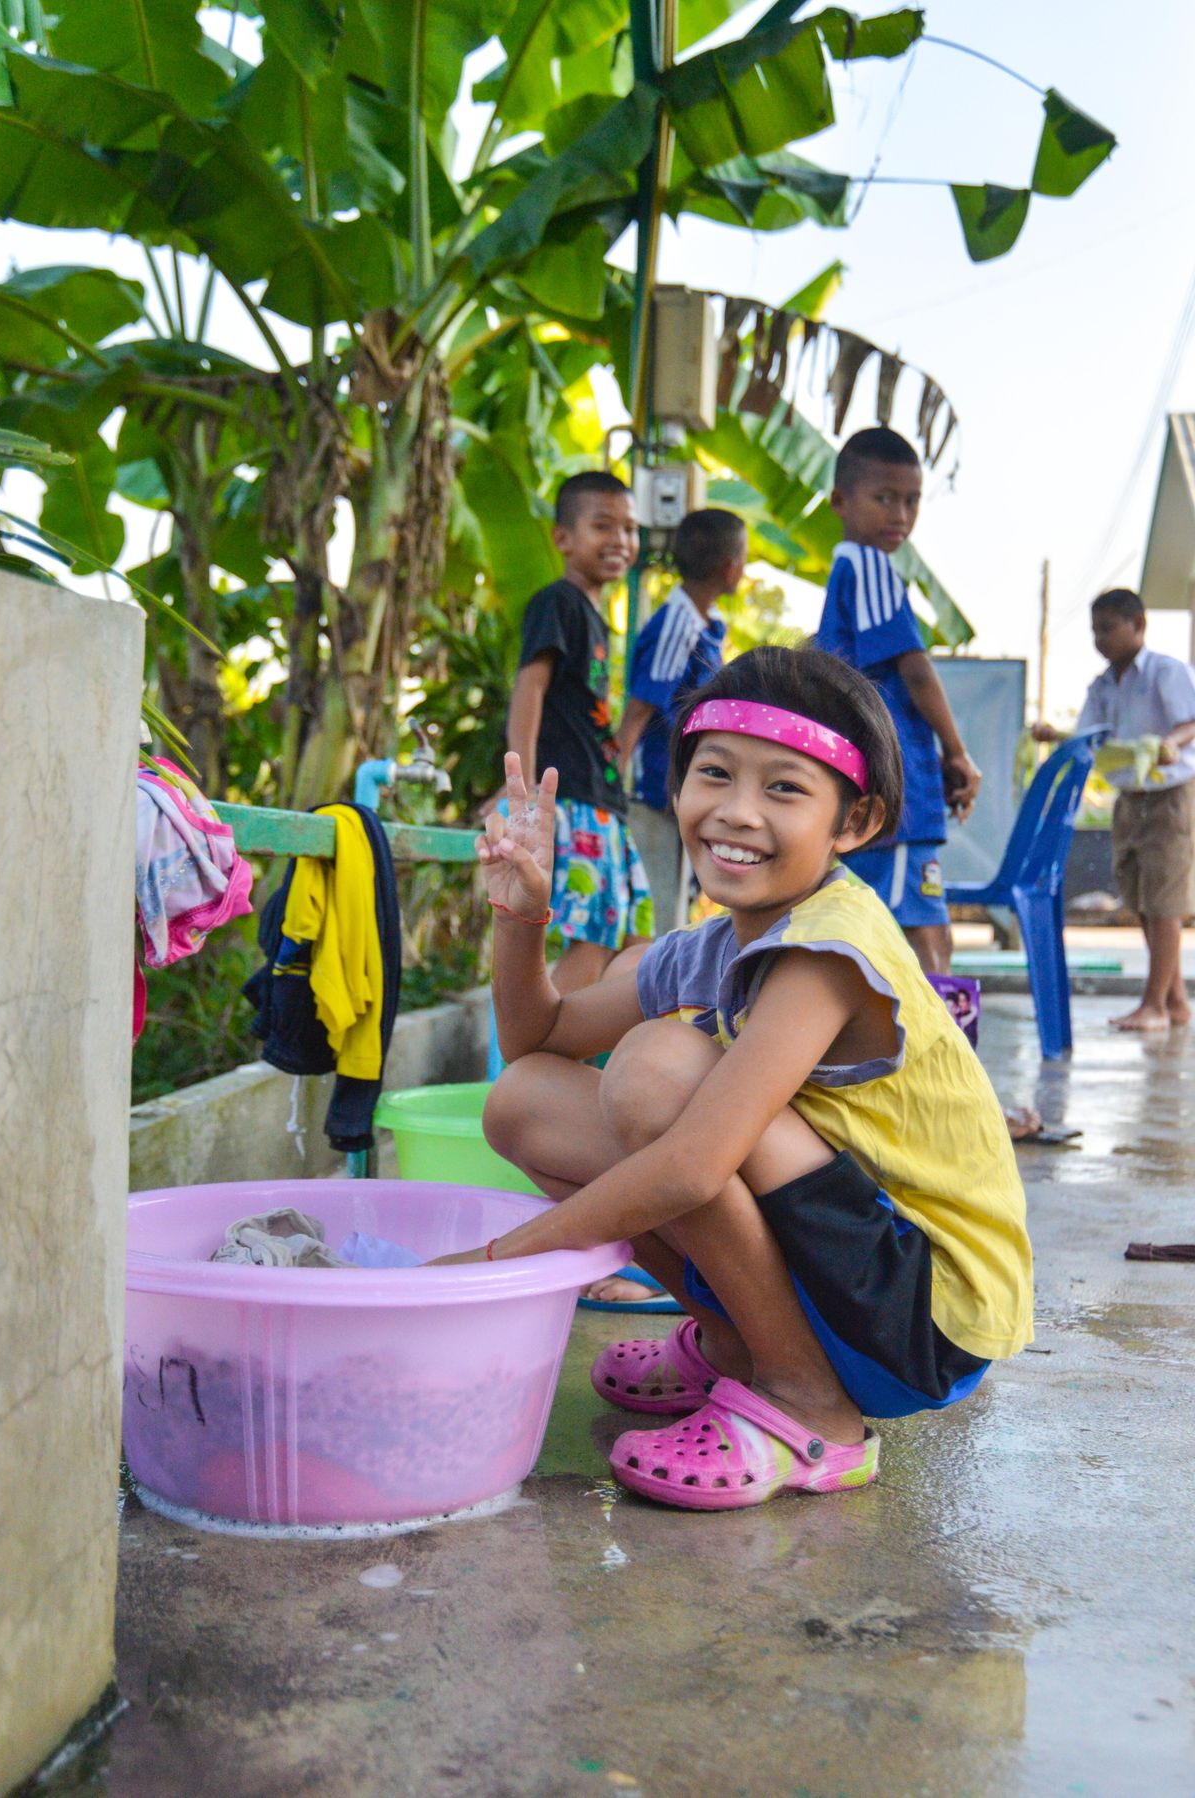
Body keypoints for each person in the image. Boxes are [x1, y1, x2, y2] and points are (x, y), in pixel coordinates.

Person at [438, 645, 1032, 1513]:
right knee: (523, 1103)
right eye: (714, 774)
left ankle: (811, 1408)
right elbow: (541, 1039)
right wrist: (522, 912)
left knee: (657, 1071)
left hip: (926, 1312)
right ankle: (732, 1343)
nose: (737, 812)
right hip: (852, 1264)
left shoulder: (829, 947)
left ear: (854, 821)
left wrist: (491, 1265)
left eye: (785, 789)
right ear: (678, 790)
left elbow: (692, 1167)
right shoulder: (715, 943)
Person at [816, 426, 981, 976]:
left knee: (894, 921)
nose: (900, 515)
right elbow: (915, 668)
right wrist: (957, 751)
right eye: (884, 498)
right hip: (899, 792)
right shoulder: (870, 567)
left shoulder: (846, 573)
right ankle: (939, 1051)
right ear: (840, 501)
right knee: (919, 928)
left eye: (911, 501)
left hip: (879, 787)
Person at [500, 470, 653, 994]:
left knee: (633, 942)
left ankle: (576, 1057)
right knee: (593, 941)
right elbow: (530, 689)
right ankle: (540, 1057)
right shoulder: (558, 602)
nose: (620, 541)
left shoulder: (595, 615)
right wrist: (520, 791)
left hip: (604, 798)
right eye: (603, 526)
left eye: (630, 529)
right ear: (563, 538)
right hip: (574, 800)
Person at [1035, 587, 1195, 1032]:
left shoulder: (1165, 672)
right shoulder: (1103, 685)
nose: (1100, 640)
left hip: (1169, 796)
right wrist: (1056, 735)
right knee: (1142, 897)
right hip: (1130, 800)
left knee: (1165, 901)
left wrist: (1170, 743)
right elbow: (1091, 737)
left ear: (1138, 625)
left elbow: (1191, 719)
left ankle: (1155, 1006)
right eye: (1095, 631)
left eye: (1109, 629)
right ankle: (1176, 999)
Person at [618, 508, 746, 932]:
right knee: (655, 911)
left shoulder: (704, 625)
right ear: (730, 568)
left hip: (678, 789)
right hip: (654, 789)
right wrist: (614, 781)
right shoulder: (678, 622)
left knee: (672, 908)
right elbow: (640, 707)